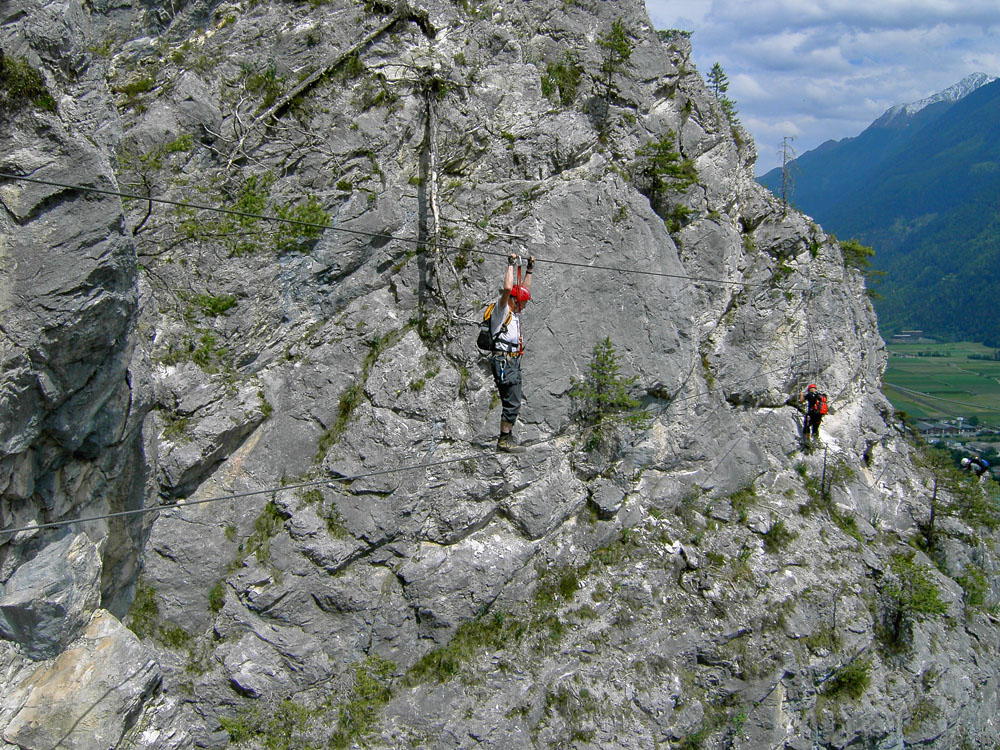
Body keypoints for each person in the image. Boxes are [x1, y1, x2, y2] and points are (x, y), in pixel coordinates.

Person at [491, 252, 533, 453]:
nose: (524, 306)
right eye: (522, 302)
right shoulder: (502, 311)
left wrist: (529, 270)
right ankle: (504, 440)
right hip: (504, 362)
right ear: (515, 301)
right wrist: (510, 264)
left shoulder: (515, 312)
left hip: (511, 362)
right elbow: (509, 288)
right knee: (513, 401)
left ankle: (506, 437)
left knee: (513, 400)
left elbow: (522, 290)